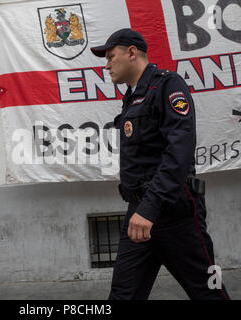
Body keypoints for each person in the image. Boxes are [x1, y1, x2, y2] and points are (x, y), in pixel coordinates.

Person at [90, 28, 231, 300]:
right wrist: (142, 209)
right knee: (122, 294)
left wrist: (150, 208)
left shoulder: (168, 85)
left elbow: (179, 152)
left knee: (209, 291)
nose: (106, 64)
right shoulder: (132, 97)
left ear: (132, 53)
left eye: (110, 56)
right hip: (139, 213)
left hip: (174, 211)